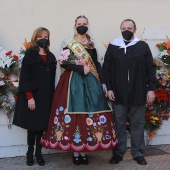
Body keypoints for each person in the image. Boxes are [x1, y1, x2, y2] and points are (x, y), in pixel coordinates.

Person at [41, 15, 118, 165]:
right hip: (72, 81)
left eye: (84, 24)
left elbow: (96, 63)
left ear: (88, 25)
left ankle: (84, 150)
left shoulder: (91, 43)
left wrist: (103, 82)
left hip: (91, 82)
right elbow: (63, 63)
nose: (82, 26)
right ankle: (76, 152)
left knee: (89, 115)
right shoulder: (68, 42)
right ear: (74, 25)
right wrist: (80, 68)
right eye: (79, 24)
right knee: (74, 115)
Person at [103, 19, 156, 165]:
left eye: (130, 28)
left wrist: (151, 89)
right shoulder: (114, 47)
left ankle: (138, 152)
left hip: (138, 91)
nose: (127, 30)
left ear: (135, 29)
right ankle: (118, 153)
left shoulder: (142, 46)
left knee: (137, 123)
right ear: (120, 29)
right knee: (118, 122)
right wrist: (109, 88)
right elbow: (106, 69)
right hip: (118, 92)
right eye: (124, 28)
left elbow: (150, 69)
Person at [13, 27, 56, 166]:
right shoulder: (30, 55)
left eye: (46, 36)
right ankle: (30, 152)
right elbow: (25, 77)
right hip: (33, 96)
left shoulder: (51, 56)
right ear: (35, 38)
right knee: (32, 126)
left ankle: (39, 153)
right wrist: (29, 97)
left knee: (42, 126)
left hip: (46, 97)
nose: (43, 38)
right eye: (40, 36)